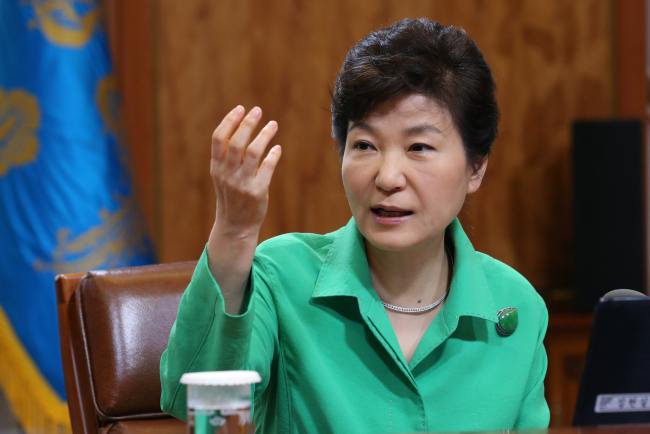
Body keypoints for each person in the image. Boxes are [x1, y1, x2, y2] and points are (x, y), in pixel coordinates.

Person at [160, 18, 550, 433]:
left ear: (476, 167)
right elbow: (194, 406)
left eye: (419, 147)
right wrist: (234, 234)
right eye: (364, 145)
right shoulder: (283, 277)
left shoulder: (516, 306)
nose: (387, 177)